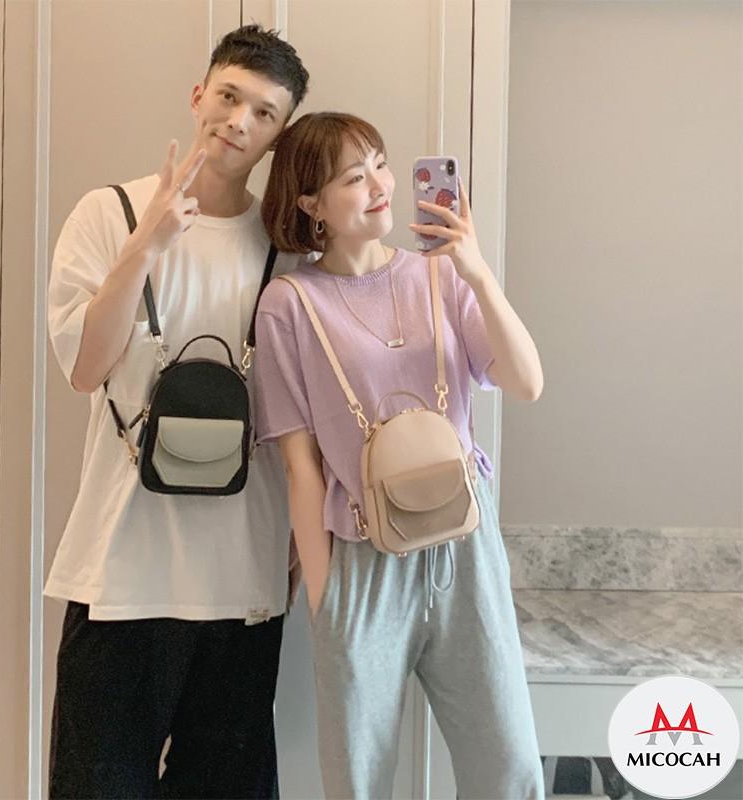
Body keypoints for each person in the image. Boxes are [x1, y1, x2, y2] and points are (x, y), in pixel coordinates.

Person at [46, 25, 308, 798]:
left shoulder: (285, 245)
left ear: (278, 133)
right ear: (199, 96)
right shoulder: (109, 213)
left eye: (264, 112)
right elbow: (85, 369)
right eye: (229, 96)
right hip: (121, 574)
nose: (239, 121)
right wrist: (148, 244)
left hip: (245, 579)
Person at [254, 112, 546, 799]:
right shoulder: (288, 306)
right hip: (361, 561)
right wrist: (327, 599)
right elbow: (300, 467)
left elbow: (527, 382)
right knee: (357, 779)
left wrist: (477, 272)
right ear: (311, 203)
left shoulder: (441, 276)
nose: (380, 185)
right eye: (354, 177)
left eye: (381, 165)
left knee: (509, 771)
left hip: (466, 551)